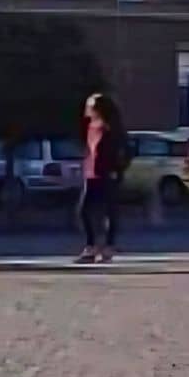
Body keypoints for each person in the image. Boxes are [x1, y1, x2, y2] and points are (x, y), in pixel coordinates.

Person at [77, 93, 125, 264]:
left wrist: (117, 169)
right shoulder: (89, 126)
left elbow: (125, 151)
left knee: (109, 212)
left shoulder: (111, 128)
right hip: (90, 173)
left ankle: (108, 248)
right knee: (83, 211)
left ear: (98, 108)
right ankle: (91, 247)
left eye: (90, 106)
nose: (87, 109)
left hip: (106, 174)